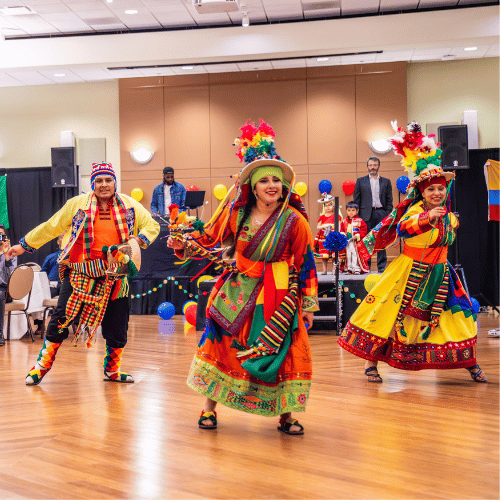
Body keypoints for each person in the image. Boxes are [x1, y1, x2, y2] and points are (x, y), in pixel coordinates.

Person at [168, 119, 319, 435]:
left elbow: (306, 263)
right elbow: (209, 242)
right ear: (253, 187)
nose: (271, 186)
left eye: (275, 181)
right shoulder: (237, 214)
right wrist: (182, 245)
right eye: (263, 181)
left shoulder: (294, 221)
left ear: (284, 186)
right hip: (238, 292)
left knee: (287, 350)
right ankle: (209, 409)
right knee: (221, 345)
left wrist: (308, 303)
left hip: (281, 294)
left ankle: (286, 415)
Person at [338, 121, 487, 383]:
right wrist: (427, 218)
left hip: (440, 274)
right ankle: (371, 364)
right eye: (431, 189)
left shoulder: (448, 216)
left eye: (441, 188)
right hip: (408, 272)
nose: (437, 192)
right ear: (422, 192)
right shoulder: (416, 212)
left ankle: (470, 363)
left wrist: (447, 220)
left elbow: (447, 233)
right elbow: (404, 228)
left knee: (457, 318)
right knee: (385, 315)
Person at [8, 162, 160, 385]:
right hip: (80, 271)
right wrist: (25, 244)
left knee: (117, 323)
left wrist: (137, 239)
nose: (104, 185)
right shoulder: (77, 204)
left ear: (114, 182)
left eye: (108, 180)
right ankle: (41, 367)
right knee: (60, 319)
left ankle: (113, 370)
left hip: (116, 274)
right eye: (99, 181)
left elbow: (152, 225)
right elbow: (52, 226)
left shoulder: (130, 205)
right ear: (93, 184)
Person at [353, 156, 393, 272]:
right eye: (370, 165)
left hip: (381, 213)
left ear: (378, 166)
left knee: (381, 240)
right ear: (367, 167)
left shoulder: (386, 181)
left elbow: (389, 200)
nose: (372, 167)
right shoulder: (361, 181)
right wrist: (357, 217)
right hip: (365, 215)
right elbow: (356, 200)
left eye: (375, 165)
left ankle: (381, 267)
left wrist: (387, 213)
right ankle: (367, 267)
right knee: (367, 241)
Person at [314, 194, 341, 275]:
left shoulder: (337, 216)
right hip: (324, 237)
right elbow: (318, 227)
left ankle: (334, 270)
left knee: (333, 254)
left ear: (333, 206)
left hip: (333, 236)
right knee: (324, 255)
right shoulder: (322, 217)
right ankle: (324, 270)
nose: (327, 207)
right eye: (325, 206)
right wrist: (324, 226)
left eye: (330, 205)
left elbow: (339, 226)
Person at [339, 201, 368, 274]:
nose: (351, 212)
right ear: (346, 211)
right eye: (349, 210)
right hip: (347, 241)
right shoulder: (344, 221)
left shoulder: (360, 221)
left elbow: (364, 230)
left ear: (357, 211)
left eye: (353, 210)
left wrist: (358, 236)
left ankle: (356, 267)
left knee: (355, 254)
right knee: (348, 254)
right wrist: (343, 235)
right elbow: (341, 229)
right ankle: (349, 267)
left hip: (356, 242)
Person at [0, 225, 16, 346]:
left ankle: (0, 333)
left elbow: (11, 275)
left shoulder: (11, 254)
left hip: (5, 290)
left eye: (1, 234)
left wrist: (6, 254)